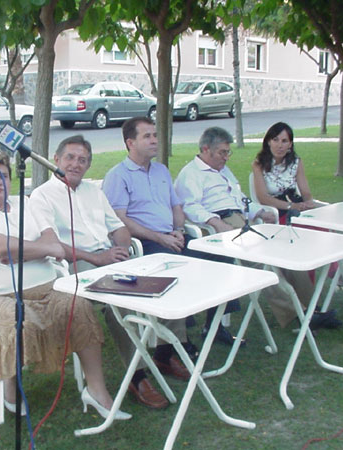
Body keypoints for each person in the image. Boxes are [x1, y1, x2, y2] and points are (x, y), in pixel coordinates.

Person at [0, 151, 131, 420]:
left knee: (79, 307)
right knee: (19, 320)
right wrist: (37, 248)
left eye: (4, 176)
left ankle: (97, 391)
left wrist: (21, 251)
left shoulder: (25, 203)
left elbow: (53, 242)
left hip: (45, 285)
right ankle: (10, 388)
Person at [29, 135, 177, 410]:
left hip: (108, 258)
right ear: (56, 160)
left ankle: (168, 352)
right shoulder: (42, 196)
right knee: (121, 303)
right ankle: (138, 375)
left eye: (82, 160)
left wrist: (120, 251)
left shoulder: (93, 192)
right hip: (74, 266)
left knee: (160, 283)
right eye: (70, 157)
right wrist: (96, 258)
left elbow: (119, 228)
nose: (76, 164)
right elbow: (51, 245)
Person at [174, 126, 342, 330]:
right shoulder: (191, 174)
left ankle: (309, 308)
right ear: (206, 149)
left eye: (228, 152)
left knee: (286, 250)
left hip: (242, 219)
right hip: (224, 222)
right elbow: (190, 206)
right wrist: (215, 222)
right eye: (222, 152)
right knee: (263, 263)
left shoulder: (223, 171)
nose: (227, 157)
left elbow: (241, 199)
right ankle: (298, 314)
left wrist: (260, 211)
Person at [102, 117, 240, 350]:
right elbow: (119, 220)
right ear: (130, 143)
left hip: (172, 236)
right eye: (147, 136)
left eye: (155, 135)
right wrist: (160, 237)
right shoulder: (119, 175)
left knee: (219, 257)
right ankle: (176, 343)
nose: (155, 140)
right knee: (180, 267)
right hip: (146, 243)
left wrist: (177, 231)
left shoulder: (161, 170)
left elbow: (177, 207)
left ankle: (213, 325)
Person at [252, 122, 343, 290]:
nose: (280, 145)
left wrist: (308, 204)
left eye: (284, 141)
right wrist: (291, 206)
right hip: (277, 209)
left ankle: (339, 272)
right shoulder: (259, 163)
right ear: (268, 142)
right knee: (308, 231)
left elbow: (306, 192)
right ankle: (331, 276)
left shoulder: (295, 162)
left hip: (296, 205)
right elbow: (263, 197)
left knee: (320, 225)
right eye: (275, 140)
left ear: (290, 144)